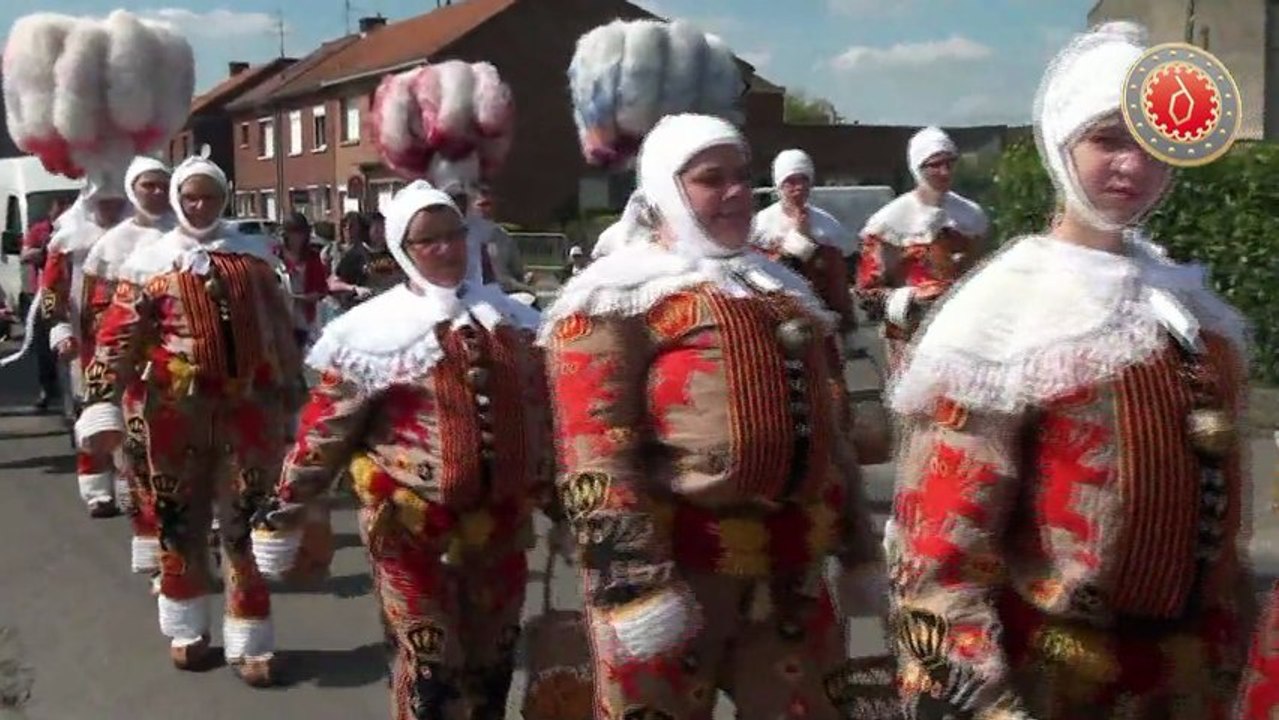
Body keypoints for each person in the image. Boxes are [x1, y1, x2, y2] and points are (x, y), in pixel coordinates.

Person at [885, 22, 1250, 719]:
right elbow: (939, 548)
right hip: (1053, 675)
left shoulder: (1187, 305)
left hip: (1189, 677)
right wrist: (972, 696)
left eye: (1153, 143)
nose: (1132, 166)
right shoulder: (1007, 311)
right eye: (1107, 140)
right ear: (1061, 144)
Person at [541, 114, 885, 720]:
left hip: (793, 568)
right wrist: (635, 583)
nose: (734, 192)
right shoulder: (615, 297)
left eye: (742, 176)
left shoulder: (779, 288)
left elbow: (830, 429)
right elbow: (596, 450)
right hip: (677, 569)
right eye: (710, 179)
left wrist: (858, 546)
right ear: (666, 190)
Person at [265, 181, 555, 719]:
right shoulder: (372, 332)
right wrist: (286, 507)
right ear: (403, 250)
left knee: (491, 669)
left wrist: (568, 505)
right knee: (431, 670)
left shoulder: (512, 322)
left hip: (500, 531)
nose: (446, 249)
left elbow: (544, 419)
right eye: (428, 241)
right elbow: (326, 429)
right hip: (409, 531)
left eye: (454, 235)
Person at [75, 155, 302, 686]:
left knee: (246, 522)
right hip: (174, 414)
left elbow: (280, 332)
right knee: (180, 520)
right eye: (191, 196)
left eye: (210, 196)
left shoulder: (253, 257)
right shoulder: (148, 264)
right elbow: (117, 338)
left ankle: (251, 638)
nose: (200, 206)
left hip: (248, 414)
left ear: (225, 198)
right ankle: (187, 630)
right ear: (178, 199)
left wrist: (295, 399)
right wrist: (101, 398)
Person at [81, 156, 175, 575]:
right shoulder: (111, 245)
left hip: (191, 372)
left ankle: (191, 547)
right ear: (132, 190)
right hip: (138, 372)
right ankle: (154, 547)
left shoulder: (188, 235)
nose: (156, 193)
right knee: (142, 458)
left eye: (162, 185)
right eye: (147, 185)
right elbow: (97, 313)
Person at [855, 126, 988, 371]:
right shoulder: (888, 222)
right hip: (911, 334)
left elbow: (982, 271)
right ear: (918, 168)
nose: (945, 171)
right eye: (935, 165)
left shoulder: (970, 215)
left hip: (961, 331)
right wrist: (911, 298)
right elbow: (868, 292)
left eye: (949, 163)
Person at [41, 171, 130, 517]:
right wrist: (61, 330)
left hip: (133, 344)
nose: (110, 208)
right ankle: (98, 491)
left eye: (116, 201)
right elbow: (51, 292)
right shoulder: (68, 241)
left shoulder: (141, 237)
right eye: (103, 202)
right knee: (93, 417)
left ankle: (130, 488)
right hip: (87, 346)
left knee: (133, 417)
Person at [753, 149, 859, 339]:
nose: (799, 187)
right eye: (791, 181)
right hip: (779, 321)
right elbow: (761, 273)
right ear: (779, 184)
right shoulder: (762, 224)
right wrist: (798, 240)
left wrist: (846, 324)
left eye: (804, 180)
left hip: (823, 319)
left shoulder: (827, 224)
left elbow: (839, 280)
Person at [18, 196, 70, 411]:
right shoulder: (40, 230)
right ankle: (47, 389)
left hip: (72, 294)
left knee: (69, 344)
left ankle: (72, 394)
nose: (62, 211)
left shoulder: (78, 229)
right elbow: (25, 255)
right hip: (46, 293)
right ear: (51, 210)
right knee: (45, 343)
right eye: (59, 207)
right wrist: (43, 250)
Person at [469, 183, 535, 296]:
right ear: (471, 207)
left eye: (490, 204)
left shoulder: (504, 238)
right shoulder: (462, 237)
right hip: (473, 293)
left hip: (504, 291)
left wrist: (526, 280)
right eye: (482, 205)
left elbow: (518, 272)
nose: (487, 209)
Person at [331, 210, 402, 307]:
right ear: (366, 230)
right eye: (377, 230)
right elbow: (333, 283)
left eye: (383, 229)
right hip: (369, 306)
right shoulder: (355, 255)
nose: (381, 234)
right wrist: (355, 289)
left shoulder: (394, 252)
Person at [278, 212, 329, 349]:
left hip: (305, 319)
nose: (298, 237)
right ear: (286, 234)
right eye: (293, 232)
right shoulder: (276, 255)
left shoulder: (313, 257)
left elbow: (322, 289)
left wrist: (313, 296)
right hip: (280, 319)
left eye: (301, 233)